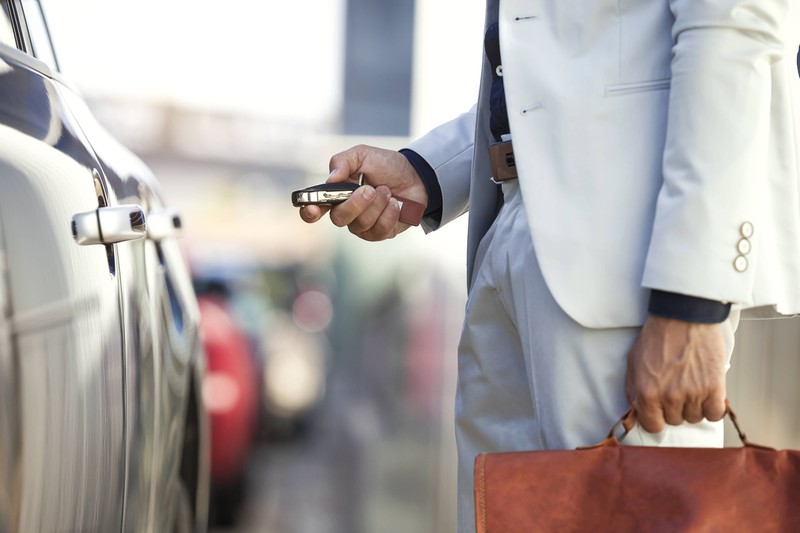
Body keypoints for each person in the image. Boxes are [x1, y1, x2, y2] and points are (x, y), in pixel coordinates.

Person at [300, 2, 800, 531]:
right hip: (512, 224)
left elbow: (734, 23)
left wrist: (696, 296)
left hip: (634, 259)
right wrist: (429, 171)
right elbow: (558, 54)